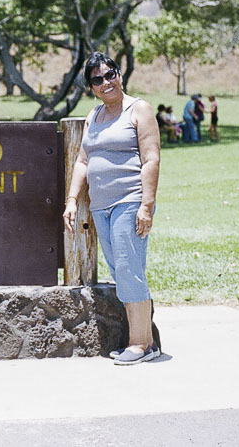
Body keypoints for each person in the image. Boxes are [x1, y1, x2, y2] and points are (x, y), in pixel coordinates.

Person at [63, 52, 161, 365]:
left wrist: (146, 205)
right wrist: (72, 200)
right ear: (90, 87)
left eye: (110, 74)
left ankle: (138, 345)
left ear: (118, 74)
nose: (107, 82)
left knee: (129, 269)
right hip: (102, 208)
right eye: (98, 79)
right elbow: (82, 160)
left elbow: (151, 159)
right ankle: (146, 343)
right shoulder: (94, 116)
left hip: (130, 202)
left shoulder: (139, 109)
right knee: (122, 270)